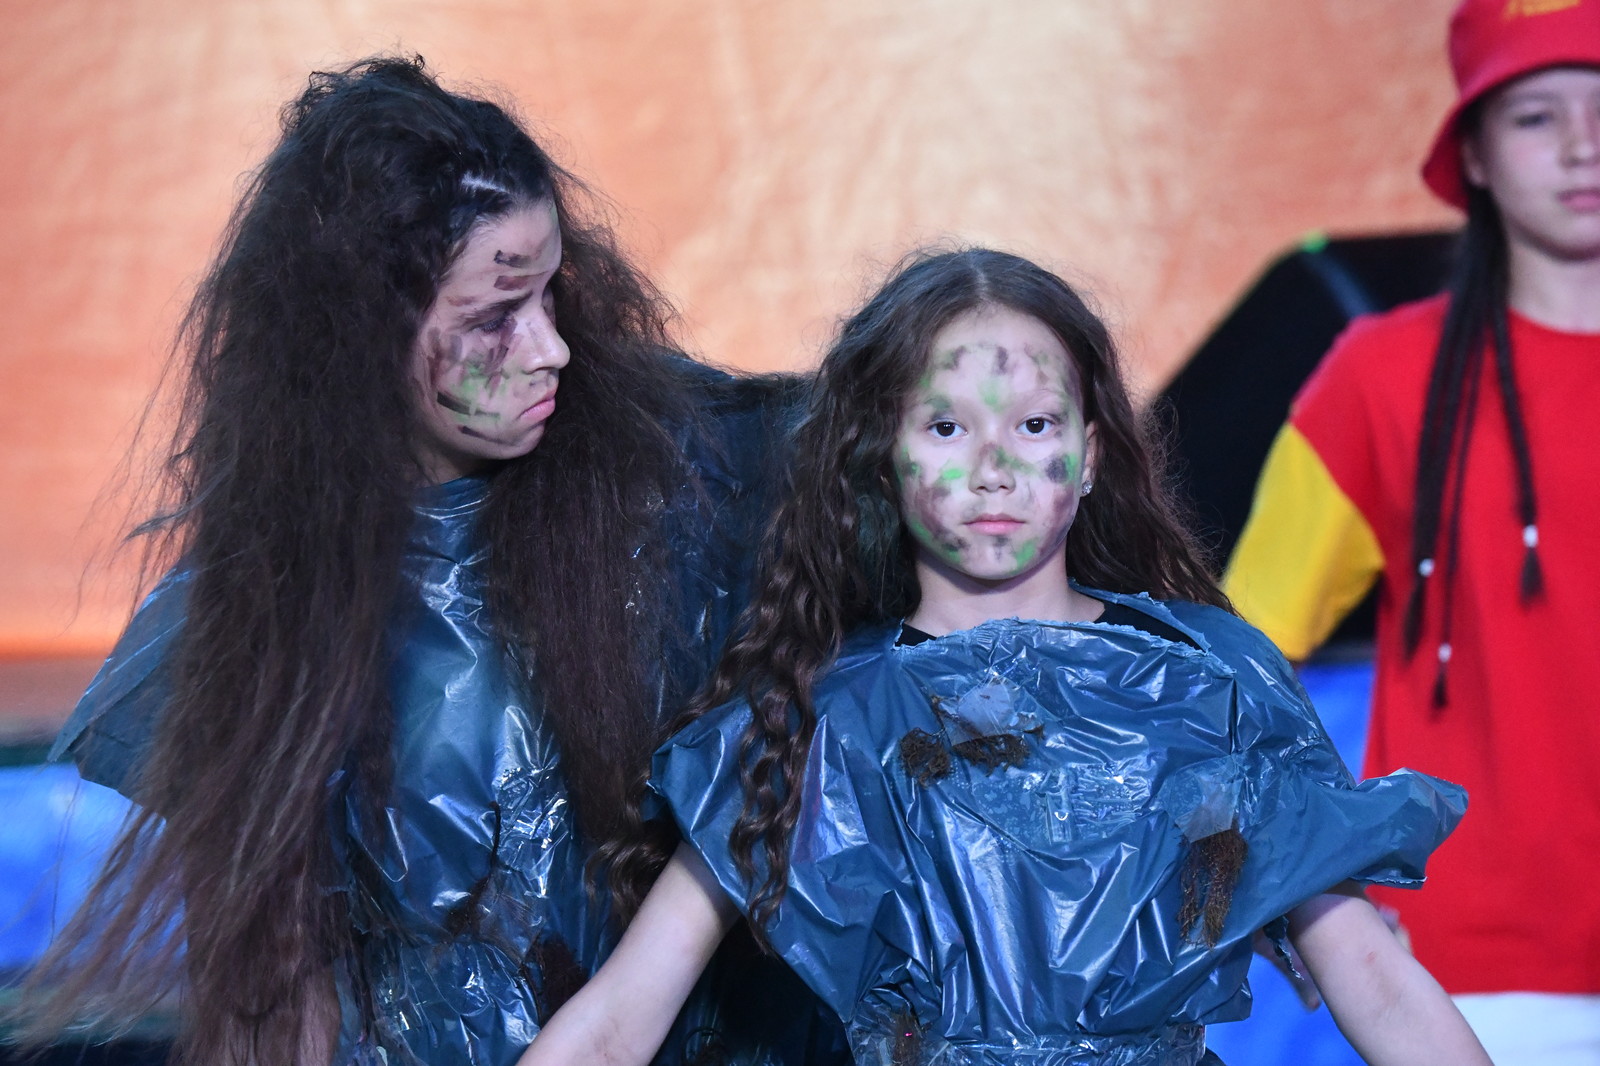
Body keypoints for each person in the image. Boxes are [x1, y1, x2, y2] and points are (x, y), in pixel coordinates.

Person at [19, 57, 838, 1066]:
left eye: (550, 294)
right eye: (494, 318)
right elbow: (277, 996)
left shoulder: (689, 479)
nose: (550, 348)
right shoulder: (259, 616)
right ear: (359, 337)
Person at [514, 248, 1489, 1066]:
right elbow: (621, 1017)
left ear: (1090, 454)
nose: (994, 470)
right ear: (884, 457)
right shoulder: (817, 722)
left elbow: (1372, 975)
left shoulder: (1207, 684)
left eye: (1033, 425)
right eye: (947, 427)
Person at [1223, 1, 1600, 1061]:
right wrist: (1314, 889)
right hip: (1464, 977)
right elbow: (1234, 660)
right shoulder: (1381, 379)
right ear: (1472, 153)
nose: (1582, 145)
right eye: (1535, 116)